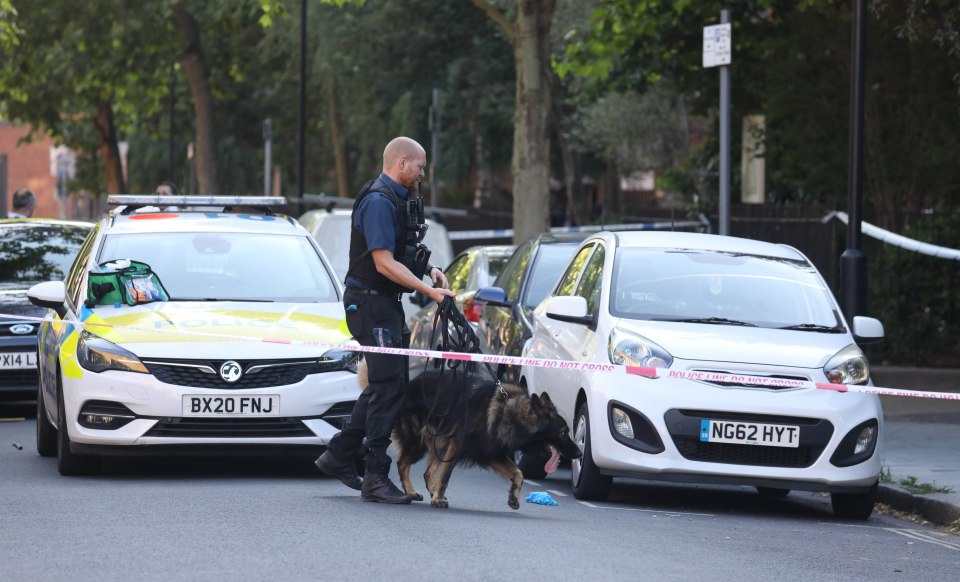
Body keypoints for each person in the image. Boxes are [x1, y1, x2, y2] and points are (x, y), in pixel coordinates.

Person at [315, 136, 455, 504]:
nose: (423, 174)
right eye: (420, 167)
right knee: (389, 385)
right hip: (369, 304)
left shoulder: (397, 198)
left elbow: (402, 250)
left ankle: (340, 454)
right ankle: (374, 475)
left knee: (384, 384)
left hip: (383, 304)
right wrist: (430, 293)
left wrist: (431, 269)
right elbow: (383, 262)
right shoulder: (378, 201)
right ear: (402, 162)